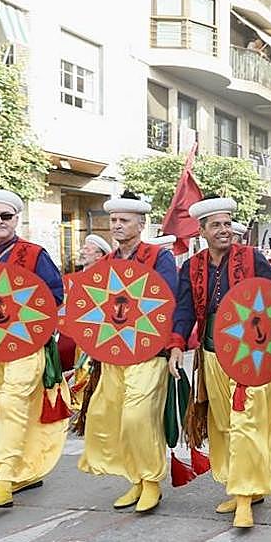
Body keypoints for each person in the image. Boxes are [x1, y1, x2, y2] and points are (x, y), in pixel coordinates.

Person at [169, 197, 271, 529]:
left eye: (227, 224)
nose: (223, 230)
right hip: (211, 354)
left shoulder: (252, 258)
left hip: (250, 355)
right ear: (202, 231)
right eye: (216, 225)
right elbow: (184, 309)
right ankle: (243, 484)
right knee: (224, 424)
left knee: (247, 420)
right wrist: (176, 345)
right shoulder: (192, 267)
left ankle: (245, 496)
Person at [77, 193, 179, 513]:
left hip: (150, 351)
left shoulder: (159, 257)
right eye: (113, 220)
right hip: (114, 353)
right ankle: (135, 479)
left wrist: (174, 344)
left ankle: (151, 481)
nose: (117, 225)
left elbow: (168, 301)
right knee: (117, 417)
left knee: (139, 416)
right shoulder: (106, 263)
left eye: (124, 220)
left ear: (141, 224)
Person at [0, 189, 67, 508]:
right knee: (2, 405)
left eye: (5, 216)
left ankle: (4, 480)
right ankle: (27, 470)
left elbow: (55, 294)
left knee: (12, 402)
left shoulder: (34, 254)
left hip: (26, 344)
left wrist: (21, 308)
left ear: (16, 219)